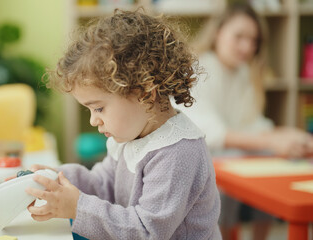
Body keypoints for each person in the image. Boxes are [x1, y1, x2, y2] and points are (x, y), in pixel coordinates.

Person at [24, 9, 222, 239]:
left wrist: (77, 208)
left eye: (98, 108)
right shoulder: (131, 135)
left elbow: (148, 231)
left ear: (145, 94)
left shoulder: (178, 152)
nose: (93, 120)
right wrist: (55, 179)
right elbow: (102, 185)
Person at [182, 3, 313, 240]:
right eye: (239, 36)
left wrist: (288, 135)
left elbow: (251, 124)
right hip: (200, 161)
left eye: (253, 40)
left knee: (276, 168)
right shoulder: (200, 68)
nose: (247, 47)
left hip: (226, 159)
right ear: (219, 32)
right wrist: (274, 142)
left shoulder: (241, 72)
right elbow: (211, 133)